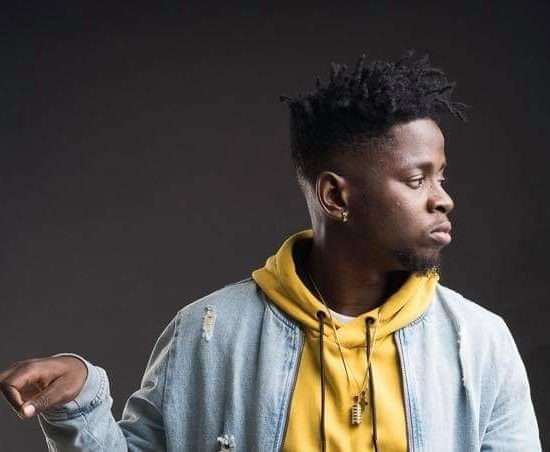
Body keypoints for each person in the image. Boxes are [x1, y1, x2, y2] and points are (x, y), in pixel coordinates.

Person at [0, 50, 542, 451]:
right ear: (335, 197)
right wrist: (80, 403)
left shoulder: (480, 342)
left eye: (441, 176)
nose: (443, 199)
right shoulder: (207, 332)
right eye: (417, 179)